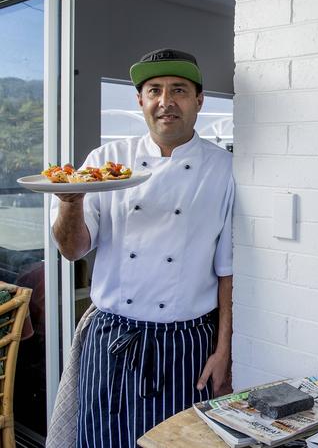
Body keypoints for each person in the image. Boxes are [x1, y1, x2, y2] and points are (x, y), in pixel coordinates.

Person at [50, 48, 234, 448]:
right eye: (154, 90)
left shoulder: (225, 169)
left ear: (199, 100)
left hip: (187, 345)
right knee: (100, 441)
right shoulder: (104, 161)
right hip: (113, 337)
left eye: (179, 90)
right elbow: (73, 249)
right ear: (140, 101)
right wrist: (70, 202)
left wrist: (225, 352)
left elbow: (227, 272)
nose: (165, 102)